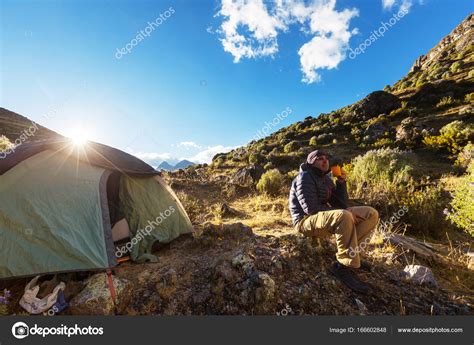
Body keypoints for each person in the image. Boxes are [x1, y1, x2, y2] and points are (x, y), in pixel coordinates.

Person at [288, 149, 379, 293]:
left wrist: (341, 182)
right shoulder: (304, 177)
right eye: (320, 159)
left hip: (321, 218)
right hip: (304, 222)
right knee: (344, 215)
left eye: (326, 158)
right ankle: (342, 266)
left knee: (371, 214)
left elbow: (342, 203)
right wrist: (344, 212)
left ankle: (352, 254)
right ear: (311, 162)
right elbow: (311, 209)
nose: (325, 161)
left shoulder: (326, 179)